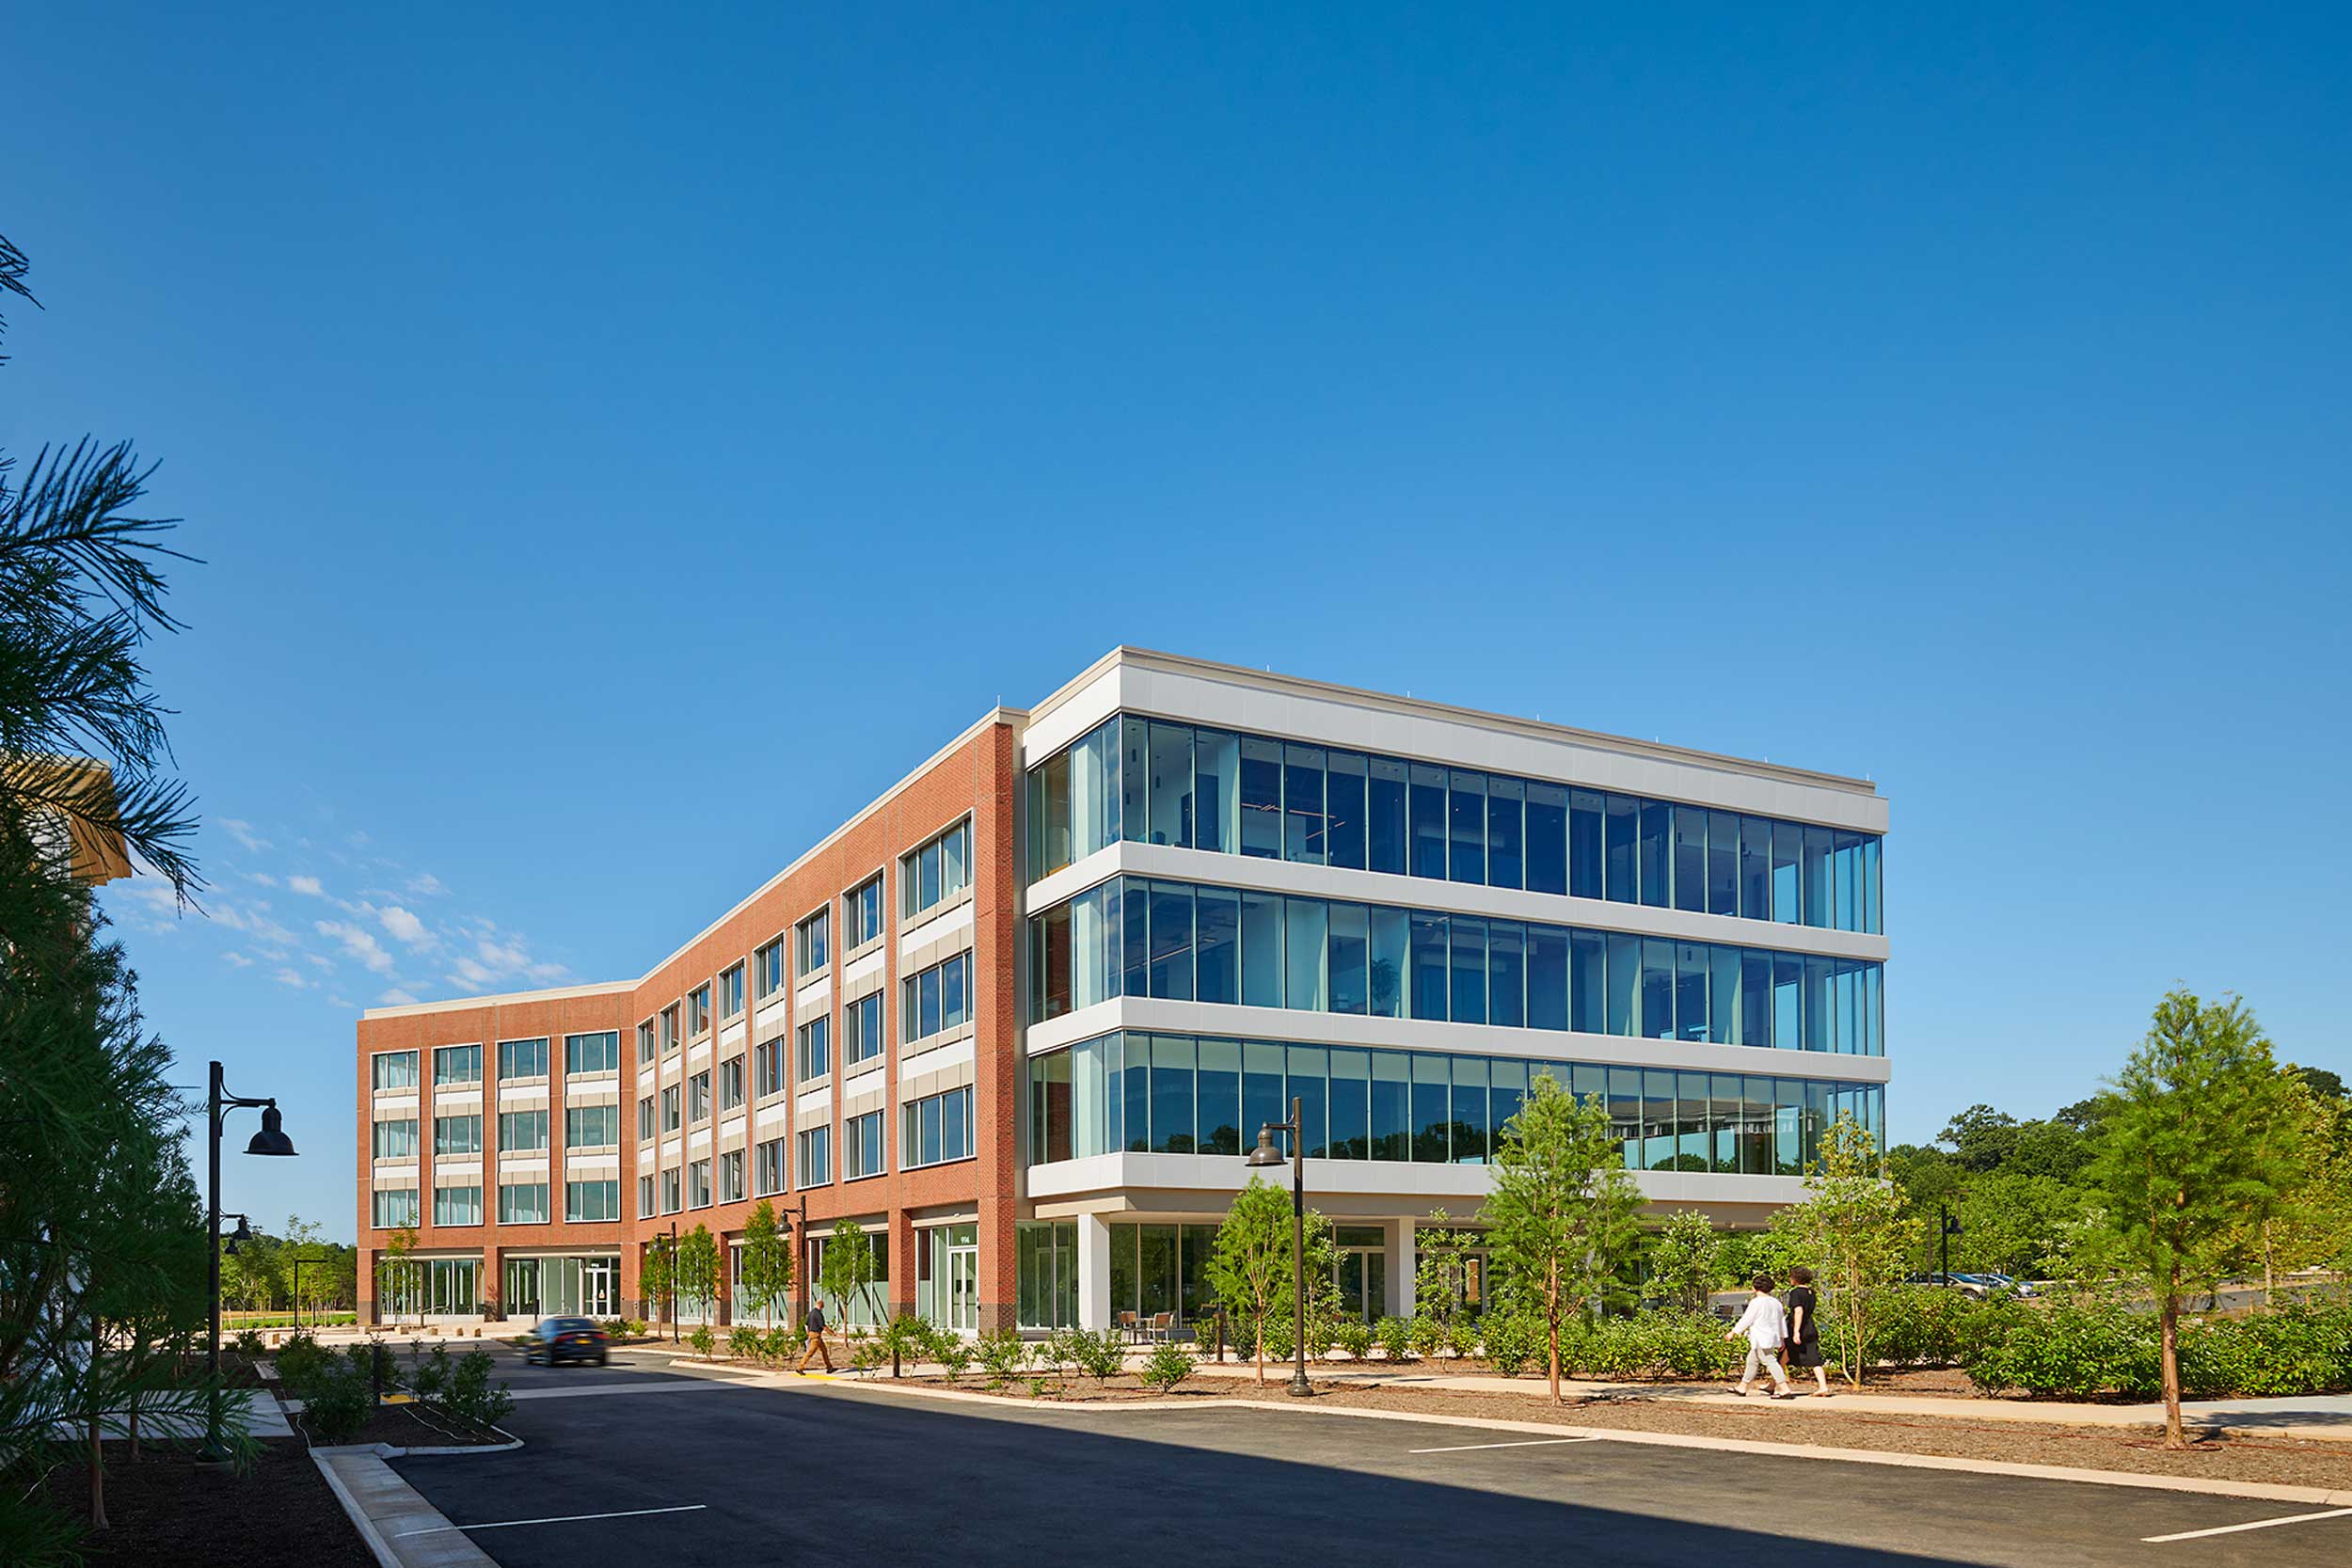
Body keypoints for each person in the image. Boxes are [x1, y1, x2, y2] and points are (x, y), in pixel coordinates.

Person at [1723, 1272, 1792, 1399]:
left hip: (1761, 1337)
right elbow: (1781, 1321)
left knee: (1769, 1361)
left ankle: (1784, 1388)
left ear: (1755, 1288)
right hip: (1771, 1337)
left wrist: (1733, 1332)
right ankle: (1742, 1387)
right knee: (1752, 1360)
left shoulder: (1756, 1302)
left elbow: (1747, 1319)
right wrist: (1782, 1338)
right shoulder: (1776, 1303)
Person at [1784, 1265, 1830, 1397]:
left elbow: (1798, 1311)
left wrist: (1796, 1331)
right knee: (1814, 1357)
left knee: (1784, 1355)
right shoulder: (1811, 1293)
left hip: (1799, 1327)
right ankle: (1823, 1386)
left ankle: (1777, 1385)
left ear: (1796, 1278)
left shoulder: (1796, 1293)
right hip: (1810, 1326)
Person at [795, 1300, 834, 1373]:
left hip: (815, 1335)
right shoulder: (818, 1314)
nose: (823, 1308)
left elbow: (806, 1324)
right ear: (821, 1305)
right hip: (816, 1336)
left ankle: (829, 1367)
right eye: (823, 1306)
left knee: (824, 1351)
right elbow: (823, 1326)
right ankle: (800, 1367)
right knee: (810, 1352)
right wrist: (831, 1333)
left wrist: (808, 1333)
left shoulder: (811, 1313)